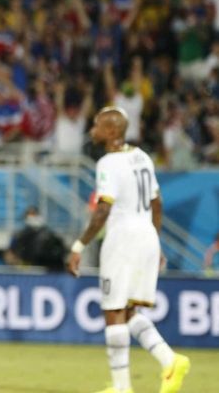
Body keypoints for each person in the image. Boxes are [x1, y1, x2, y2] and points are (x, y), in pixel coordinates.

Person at [67, 107, 190, 393]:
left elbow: (103, 211)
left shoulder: (108, 162)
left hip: (122, 239)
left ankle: (122, 388)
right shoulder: (142, 157)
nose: (92, 129)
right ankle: (170, 360)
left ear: (111, 132)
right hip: (146, 235)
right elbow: (157, 203)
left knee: (113, 311)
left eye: (97, 125)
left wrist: (78, 245)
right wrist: (156, 241)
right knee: (129, 311)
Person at [6, 207, 67, 271]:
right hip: (28, 270)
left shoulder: (49, 234)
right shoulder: (20, 235)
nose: (32, 217)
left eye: (34, 214)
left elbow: (60, 251)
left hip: (49, 269)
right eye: (30, 215)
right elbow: (10, 254)